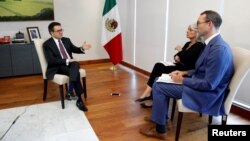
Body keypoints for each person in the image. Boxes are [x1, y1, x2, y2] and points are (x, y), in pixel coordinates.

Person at [139, 10, 234, 140]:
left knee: (159, 86)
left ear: (209, 24)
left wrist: (182, 80)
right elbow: (201, 69)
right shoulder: (211, 44)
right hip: (198, 84)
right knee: (157, 79)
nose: (196, 26)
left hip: (206, 94)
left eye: (198, 23)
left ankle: (160, 130)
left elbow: (209, 84)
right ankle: (161, 116)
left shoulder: (219, 50)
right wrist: (185, 72)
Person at [135, 23, 205, 108]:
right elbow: (179, 57)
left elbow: (188, 59)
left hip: (185, 70)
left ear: (196, 32)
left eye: (190, 30)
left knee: (159, 68)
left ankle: (150, 95)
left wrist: (180, 51)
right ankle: (149, 93)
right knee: (158, 65)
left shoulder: (199, 46)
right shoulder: (187, 44)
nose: (187, 31)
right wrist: (177, 56)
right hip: (179, 65)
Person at [43, 22, 91, 112]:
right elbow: (51, 61)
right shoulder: (47, 44)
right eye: (58, 31)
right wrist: (67, 60)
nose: (61, 32)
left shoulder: (66, 40)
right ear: (51, 33)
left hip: (71, 64)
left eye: (61, 30)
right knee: (75, 71)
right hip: (58, 66)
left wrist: (82, 48)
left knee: (75, 64)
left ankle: (70, 91)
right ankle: (78, 99)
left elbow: (75, 49)